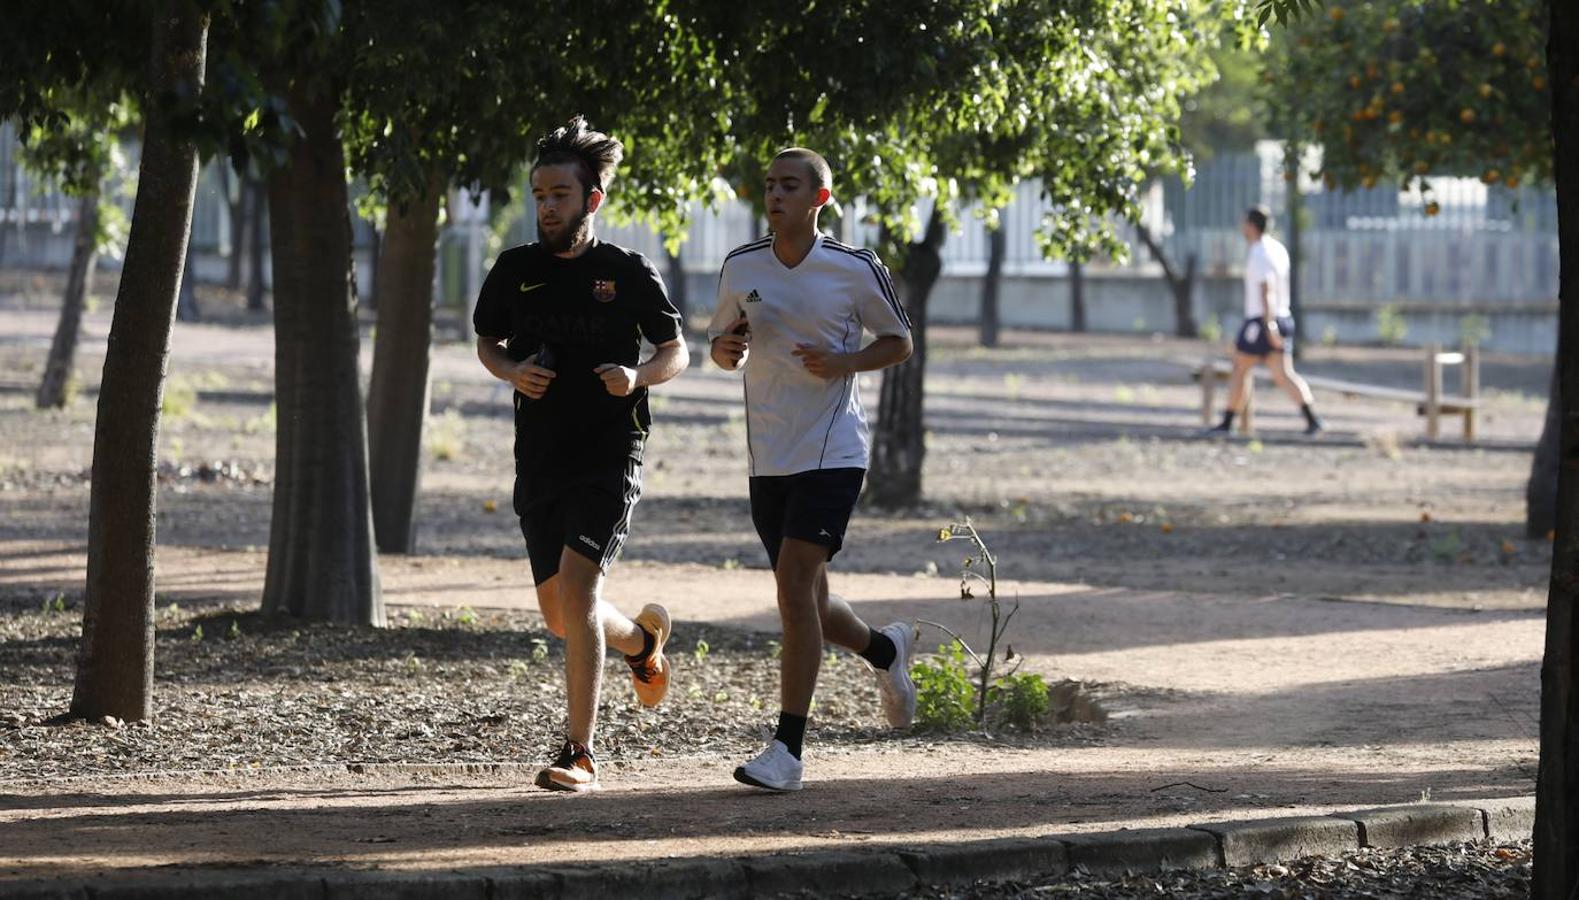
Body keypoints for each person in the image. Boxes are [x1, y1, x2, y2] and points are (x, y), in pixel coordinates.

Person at [473, 116, 689, 793]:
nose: (546, 207)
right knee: (560, 616)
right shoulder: (515, 271)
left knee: (579, 590)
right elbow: (487, 341)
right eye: (538, 194)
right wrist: (510, 373)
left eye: (559, 195)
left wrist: (637, 377)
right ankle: (641, 644)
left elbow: (673, 351)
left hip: (608, 452)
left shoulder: (624, 273)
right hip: (539, 457)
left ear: (591, 199)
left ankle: (580, 754)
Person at [707, 147, 917, 793]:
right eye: (768, 185)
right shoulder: (741, 265)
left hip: (833, 451)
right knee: (812, 604)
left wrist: (843, 363)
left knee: (793, 585)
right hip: (767, 454)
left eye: (788, 185)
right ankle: (885, 651)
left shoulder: (852, 268)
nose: (774, 195)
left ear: (818, 198)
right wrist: (725, 348)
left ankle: (786, 751)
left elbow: (899, 340)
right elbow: (720, 346)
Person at [1208, 206, 1324, 436]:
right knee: (1282, 374)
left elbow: (1266, 290)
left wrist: (1268, 325)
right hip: (1282, 315)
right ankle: (1313, 420)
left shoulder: (1259, 252)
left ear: (1251, 226)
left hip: (1261, 320)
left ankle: (1228, 422)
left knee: (1240, 368)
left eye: (1244, 223)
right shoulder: (1278, 248)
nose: (1242, 228)